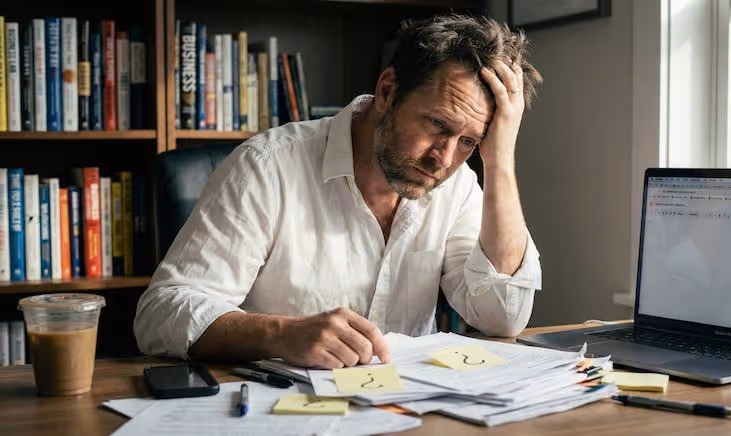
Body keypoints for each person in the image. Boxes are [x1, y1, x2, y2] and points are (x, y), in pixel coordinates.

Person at [134, 14, 544, 369]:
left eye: (470, 142)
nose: (444, 157)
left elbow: (503, 316)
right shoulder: (268, 165)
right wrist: (281, 334)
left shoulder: (456, 183)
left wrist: (499, 160)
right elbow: (161, 314)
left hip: (408, 410)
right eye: (437, 125)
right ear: (387, 92)